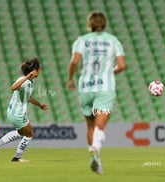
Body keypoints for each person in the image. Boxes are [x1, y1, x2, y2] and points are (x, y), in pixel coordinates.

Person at [67, 11, 126, 174]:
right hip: (104, 87)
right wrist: (110, 72)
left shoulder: (82, 41)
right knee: (100, 125)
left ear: (89, 24)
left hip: (85, 86)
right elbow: (121, 65)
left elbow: (74, 61)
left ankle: (95, 159)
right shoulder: (113, 40)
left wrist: (70, 78)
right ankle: (96, 147)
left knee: (90, 125)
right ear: (105, 24)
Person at [0, 57, 48, 162]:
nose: (40, 71)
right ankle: (17, 157)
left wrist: (40, 105)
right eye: (39, 69)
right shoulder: (25, 80)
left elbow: (28, 97)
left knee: (20, 133)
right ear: (35, 70)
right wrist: (26, 77)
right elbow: (13, 87)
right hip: (18, 114)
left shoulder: (28, 82)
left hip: (12, 112)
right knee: (29, 134)